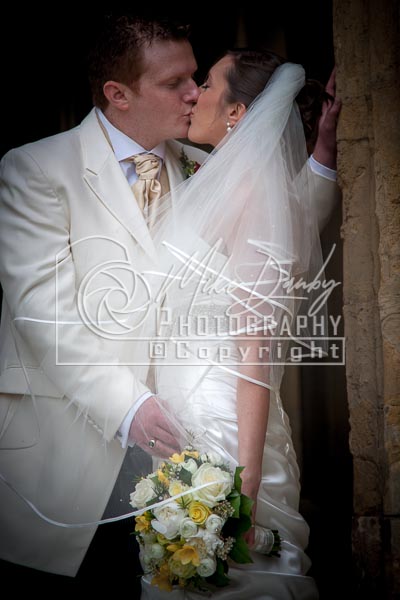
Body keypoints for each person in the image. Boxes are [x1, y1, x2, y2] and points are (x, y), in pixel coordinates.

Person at [0, 14, 339, 589]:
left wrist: (325, 151)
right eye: (175, 82)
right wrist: (130, 408)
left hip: (192, 439)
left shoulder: (208, 165)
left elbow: (277, 228)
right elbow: (43, 313)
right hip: (71, 444)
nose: (191, 92)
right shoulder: (37, 169)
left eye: (197, 79)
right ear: (118, 94)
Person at [137, 49, 340, 599]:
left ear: (237, 113)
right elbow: (296, 222)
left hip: (224, 424)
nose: (194, 93)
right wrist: (321, 154)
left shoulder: (252, 190)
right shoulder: (229, 180)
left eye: (206, 83)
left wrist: (244, 486)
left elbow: (256, 353)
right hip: (180, 421)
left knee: (235, 572)